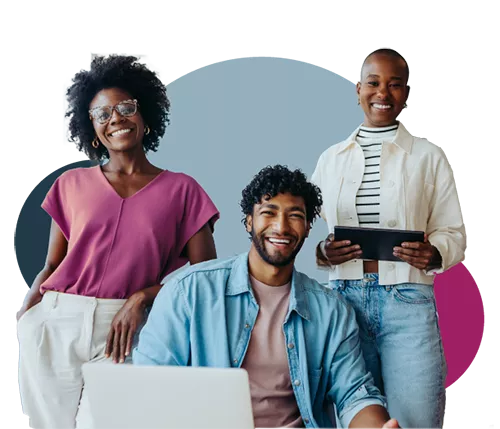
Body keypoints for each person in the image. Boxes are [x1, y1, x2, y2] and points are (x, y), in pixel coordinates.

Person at [16, 53, 220, 429]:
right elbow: (52, 266)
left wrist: (144, 297)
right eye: (103, 114)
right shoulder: (69, 185)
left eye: (125, 107)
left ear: (144, 116)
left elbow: (204, 275)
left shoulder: (183, 190)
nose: (116, 119)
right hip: (58, 320)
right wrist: (27, 317)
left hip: (127, 329)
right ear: (92, 129)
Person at [133, 164, 402, 429]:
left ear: (308, 227)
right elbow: (151, 385)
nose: (281, 227)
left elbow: (354, 393)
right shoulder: (188, 292)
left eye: (295, 215)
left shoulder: (331, 311)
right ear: (249, 221)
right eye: (268, 212)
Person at [311, 47, 466, 429]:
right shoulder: (331, 159)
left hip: (408, 304)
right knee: (352, 419)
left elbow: (455, 234)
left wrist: (433, 253)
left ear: (407, 94)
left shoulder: (429, 156)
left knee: (415, 422)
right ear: (358, 89)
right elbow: (305, 230)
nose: (383, 93)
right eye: (374, 83)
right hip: (343, 302)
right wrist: (322, 251)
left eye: (395, 85)